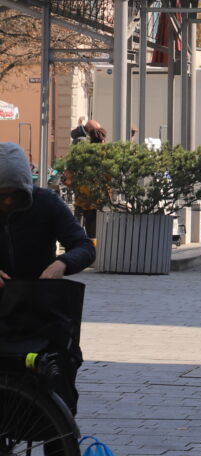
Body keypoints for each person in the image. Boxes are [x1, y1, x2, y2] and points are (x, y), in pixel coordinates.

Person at [0, 141, 96, 413]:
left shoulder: (46, 203)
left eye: (15, 195)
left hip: (38, 308)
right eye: (1, 195)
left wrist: (62, 263)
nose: (8, 201)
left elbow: (85, 247)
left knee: (57, 378)